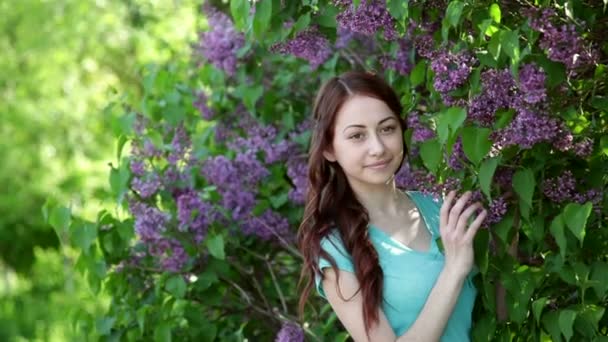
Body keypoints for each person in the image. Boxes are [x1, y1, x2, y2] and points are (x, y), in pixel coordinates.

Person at [297, 71, 487, 341]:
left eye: (387, 129)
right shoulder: (335, 247)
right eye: (357, 136)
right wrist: (453, 272)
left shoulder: (439, 208)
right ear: (329, 149)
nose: (377, 148)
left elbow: (494, 314)